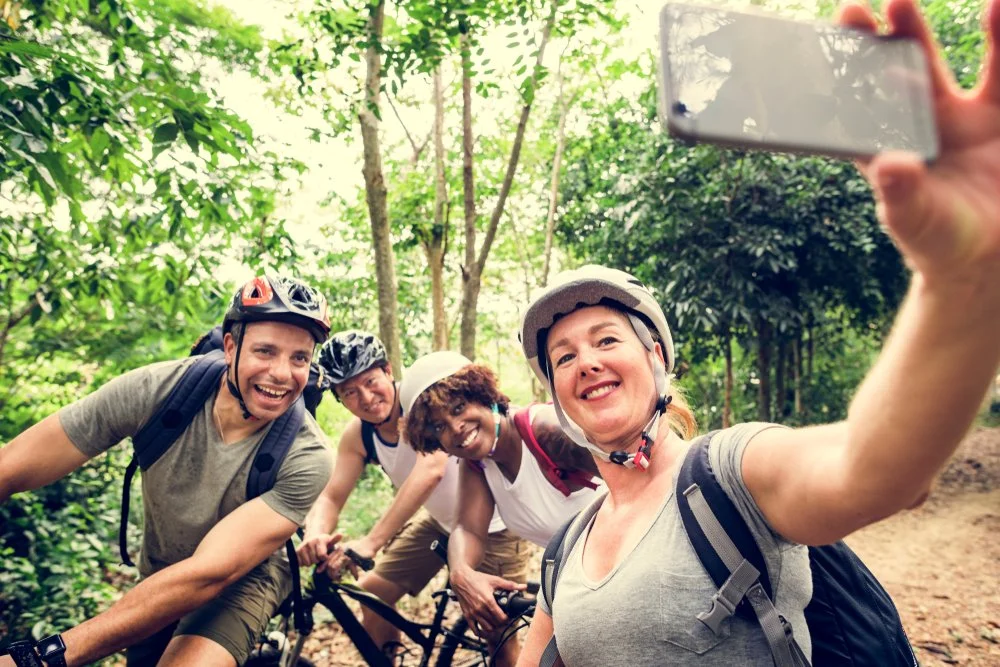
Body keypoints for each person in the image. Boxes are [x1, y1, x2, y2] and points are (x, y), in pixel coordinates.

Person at [514, 0, 1000, 661]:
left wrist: (963, 280)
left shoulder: (729, 474)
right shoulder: (566, 547)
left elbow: (875, 468)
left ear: (655, 358)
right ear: (555, 394)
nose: (586, 361)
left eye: (606, 339)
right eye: (563, 355)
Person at [0, 275, 333, 667]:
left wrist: (43, 658)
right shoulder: (158, 391)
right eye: (265, 351)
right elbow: (12, 465)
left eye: (300, 358)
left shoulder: (308, 455)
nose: (282, 373)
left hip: (240, 581)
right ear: (230, 347)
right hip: (161, 569)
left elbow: (210, 573)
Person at [296, 331, 531, 663]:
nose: (365, 397)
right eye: (350, 391)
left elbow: (430, 471)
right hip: (441, 522)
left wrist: (371, 542)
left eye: (371, 381)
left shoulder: (423, 404)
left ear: (389, 372)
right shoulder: (360, 436)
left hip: (495, 525)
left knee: (497, 632)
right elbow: (331, 496)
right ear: (340, 398)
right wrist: (317, 533)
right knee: (372, 592)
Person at [400, 351, 604, 645]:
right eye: (439, 426)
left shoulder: (545, 432)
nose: (455, 427)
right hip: (576, 585)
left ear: (483, 395)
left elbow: (637, 479)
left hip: (622, 573)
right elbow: (467, 529)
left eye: (458, 408)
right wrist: (461, 574)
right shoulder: (479, 462)